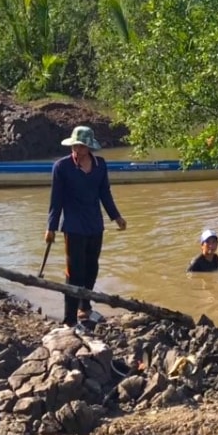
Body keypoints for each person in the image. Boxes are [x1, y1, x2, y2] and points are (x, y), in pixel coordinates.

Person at [45, 125, 127, 328]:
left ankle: (85, 307)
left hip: (94, 224)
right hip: (73, 226)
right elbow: (56, 201)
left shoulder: (100, 165)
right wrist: (51, 227)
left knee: (92, 267)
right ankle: (70, 319)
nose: (77, 150)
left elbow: (104, 193)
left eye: (81, 147)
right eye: (74, 146)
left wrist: (116, 216)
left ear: (89, 148)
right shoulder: (61, 167)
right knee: (74, 272)